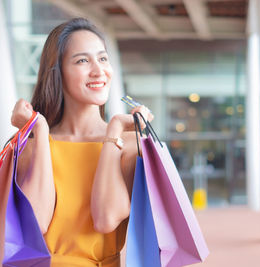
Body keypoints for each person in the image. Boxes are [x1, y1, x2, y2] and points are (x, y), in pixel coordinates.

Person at [10, 17, 153, 266]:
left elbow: (106, 219)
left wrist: (115, 130)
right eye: (82, 60)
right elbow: (38, 222)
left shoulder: (130, 144)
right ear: (58, 72)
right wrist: (40, 130)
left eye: (103, 58)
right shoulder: (30, 144)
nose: (98, 70)